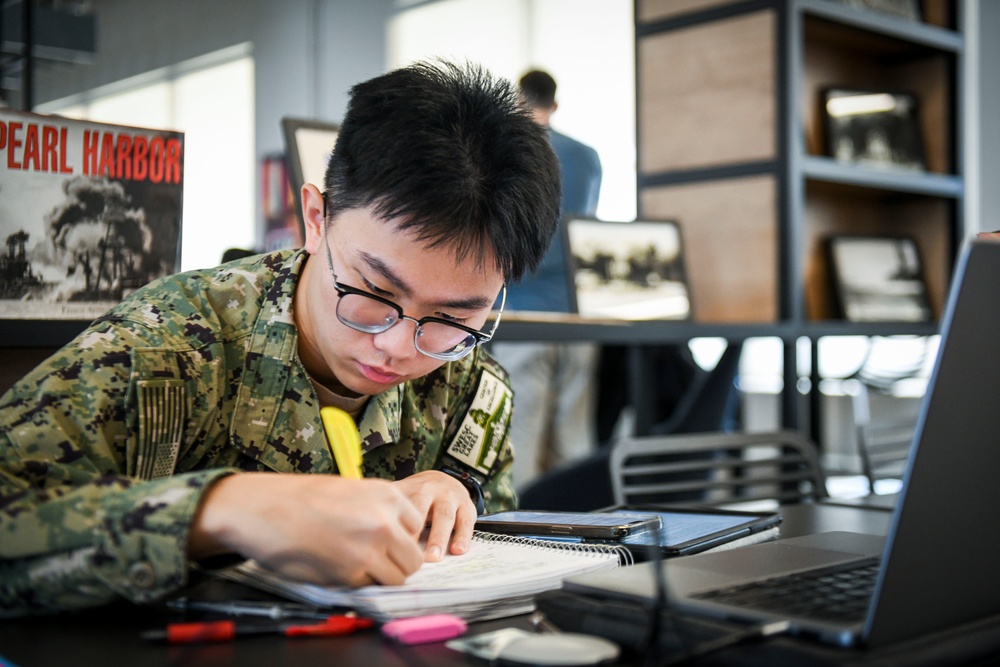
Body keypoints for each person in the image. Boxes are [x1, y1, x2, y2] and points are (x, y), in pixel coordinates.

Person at [0, 60, 561, 616]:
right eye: (374, 291)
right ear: (316, 219)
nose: (398, 346)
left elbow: (495, 569)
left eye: (451, 315)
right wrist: (220, 510)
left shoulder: (467, 382)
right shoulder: (167, 351)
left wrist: (457, 498)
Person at [490, 69, 602, 492]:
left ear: (519, 100)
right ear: (555, 105)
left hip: (526, 309)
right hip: (579, 313)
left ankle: (528, 541)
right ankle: (586, 532)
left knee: (522, 438)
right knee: (573, 439)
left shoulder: (512, 149)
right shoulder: (588, 158)